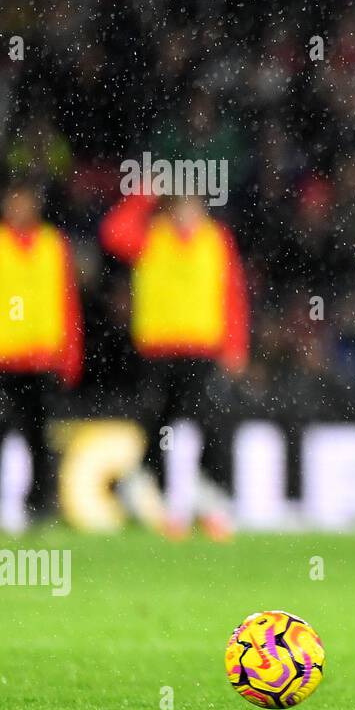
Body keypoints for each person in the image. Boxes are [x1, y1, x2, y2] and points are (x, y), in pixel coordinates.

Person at [100, 191, 248, 541]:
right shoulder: (152, 236)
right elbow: (112, 233)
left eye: (191, 207)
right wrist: (142, 195)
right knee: (160, 426)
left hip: (201, 350)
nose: (185, 215)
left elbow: (232, 293)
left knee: (209, 423)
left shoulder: (216, 239)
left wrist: (236, 346)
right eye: (179, 208)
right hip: (160, 351)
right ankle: (163, 502)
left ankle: (209, 498)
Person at [0, 185, 82, 529]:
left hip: (42, 359)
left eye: (25, 203)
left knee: (38, 436)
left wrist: (70, 354)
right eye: (14, 203)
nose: (19, 210)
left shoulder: (53, 245)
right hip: (3, 358)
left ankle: (39, 506)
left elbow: (67, 302)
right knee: (0, 434)